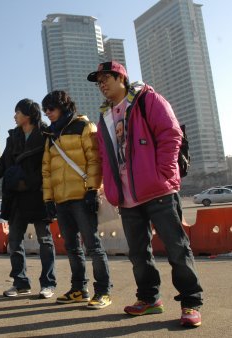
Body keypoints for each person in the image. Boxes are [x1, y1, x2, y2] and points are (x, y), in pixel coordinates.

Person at [88, 61, 203, 326]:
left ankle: (190, 303)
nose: (102, 84)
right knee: (139, 254)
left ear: (121, 78)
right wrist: (111, 189)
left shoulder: (146, 99)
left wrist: (163, 173)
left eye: (107, 78)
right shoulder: (104, 116)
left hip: (158, 190)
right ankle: (150, 299)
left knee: (177, 249)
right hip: (127, 197)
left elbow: (170, 134)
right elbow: (105, 156)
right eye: (99, 81)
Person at [41, 90, 112, 309]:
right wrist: (48, 199)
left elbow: (95, 159)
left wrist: (93, 189)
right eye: (45, 111)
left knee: (93, 246)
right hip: (61, 200)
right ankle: (79, 288)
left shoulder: (83, 126)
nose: (48, 114)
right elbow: (47, 170)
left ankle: (103, 291)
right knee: (72, 247)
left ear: (62, 106)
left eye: (51, 109)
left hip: (82, 196)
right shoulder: (51, 135)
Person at [0, 98, 57, 299]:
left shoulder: (46, 134)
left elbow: (50, 164)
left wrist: (31, 182)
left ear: (28, 114)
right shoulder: (13, 137)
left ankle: (48, 283)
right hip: (16, 195)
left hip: (39, 194)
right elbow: (4, 161)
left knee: (45, 240)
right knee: (15, 240)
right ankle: (20, 283)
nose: (14, 116)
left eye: (17, 112)